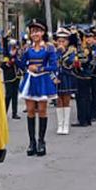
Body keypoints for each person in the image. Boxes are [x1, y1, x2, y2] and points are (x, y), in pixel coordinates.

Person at [18, 20, 57, 156]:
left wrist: (39, 68)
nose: (35, 34)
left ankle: (41, 141)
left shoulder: (49, 47)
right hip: (30, 79)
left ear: (43, 32)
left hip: (43, 79)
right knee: (30, 110)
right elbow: (22, 64)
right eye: (33, 31)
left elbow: (54, 65)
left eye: (38, 31)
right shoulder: (27, 48)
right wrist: (11, 55)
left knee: (41, 110)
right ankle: (31, 142)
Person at [54, 27, 78, 135]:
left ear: (67, 41)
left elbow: (70, 62)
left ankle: (66, 125)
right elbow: (53, 62)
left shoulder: (71, 50)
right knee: (58, 100)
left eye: (63, 41)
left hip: (67, 76)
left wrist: (63, 53)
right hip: (57, 77)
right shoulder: (55, 51)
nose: (61, 43)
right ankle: (60, 124)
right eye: (59, 41)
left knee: (66, 100)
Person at [73, 28, 96, 127]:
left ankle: (83, 120)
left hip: (81, 75)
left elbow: (79, 62)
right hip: (86, 75)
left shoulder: (82, 49)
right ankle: (87, 119)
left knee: (82, 98)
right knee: (86, 97)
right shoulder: (85, 48)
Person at [0, 36, 21, 119]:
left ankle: (14, 113)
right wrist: (9, 63)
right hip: (8, 77)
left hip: (17, 75)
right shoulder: (5, 55)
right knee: (8, 95)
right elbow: (2, 65)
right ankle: (4, 112)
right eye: (12, 46)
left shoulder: (18, 55)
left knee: (15, 94)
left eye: (15, 47)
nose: (14, 48)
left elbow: (21, 63)